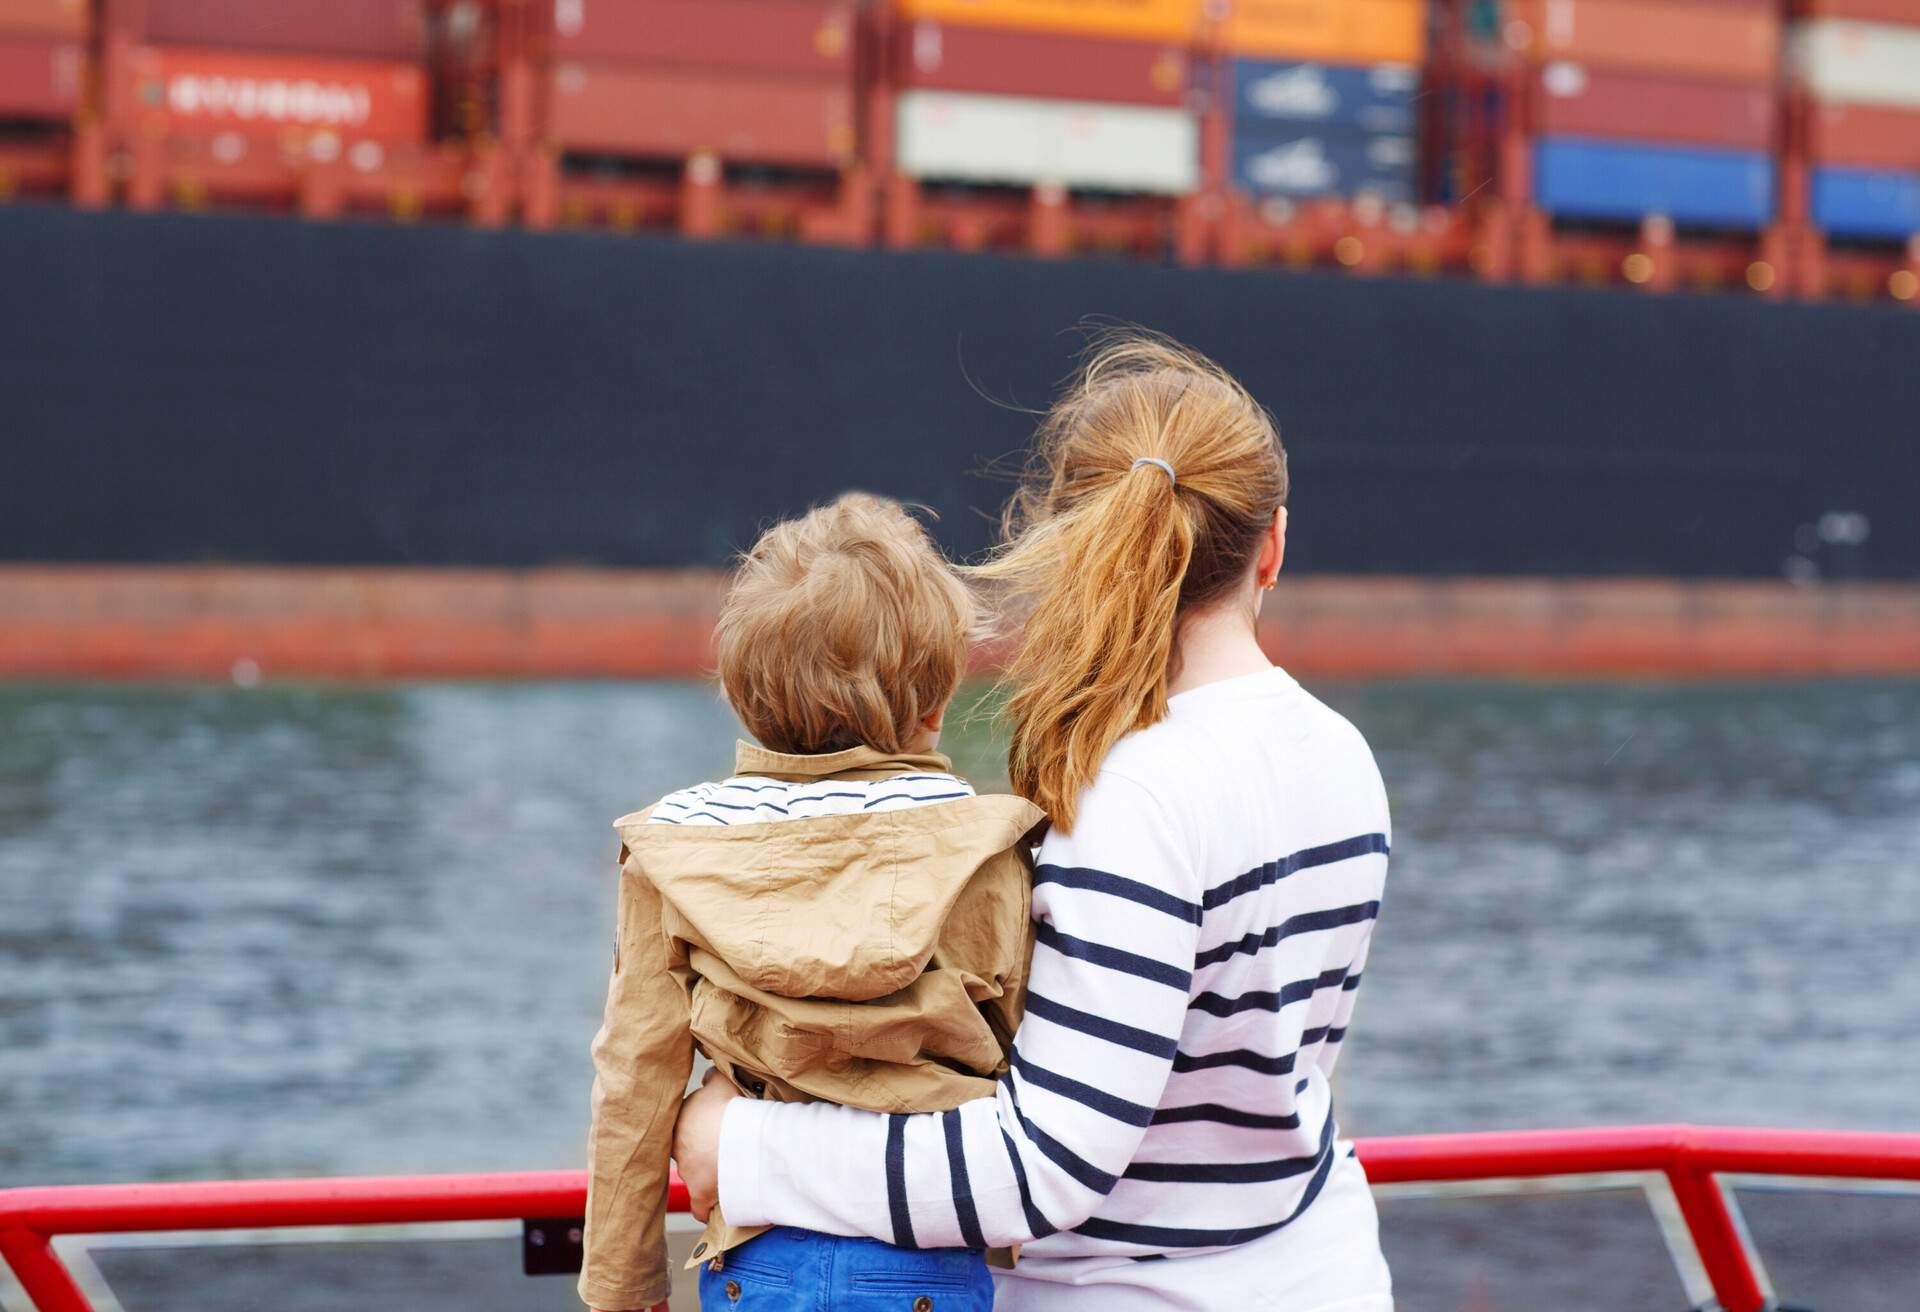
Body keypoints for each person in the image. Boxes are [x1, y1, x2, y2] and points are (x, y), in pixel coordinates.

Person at [674, 335, 1395, 1311]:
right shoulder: (1339, 754)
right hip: (1322, 1273)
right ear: (1272, 543)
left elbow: (1041, 1169)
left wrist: (746, 1145)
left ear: (1074, 542)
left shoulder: (1134, 794)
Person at [578, 493, 1045, 1312]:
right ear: (936, 706)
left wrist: (624, 1287)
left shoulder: (675, 849)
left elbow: (635, 1080)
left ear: (737, 692)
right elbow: (1022, 1058)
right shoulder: (986, 845)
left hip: (758, 1265)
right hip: (927, 1260)